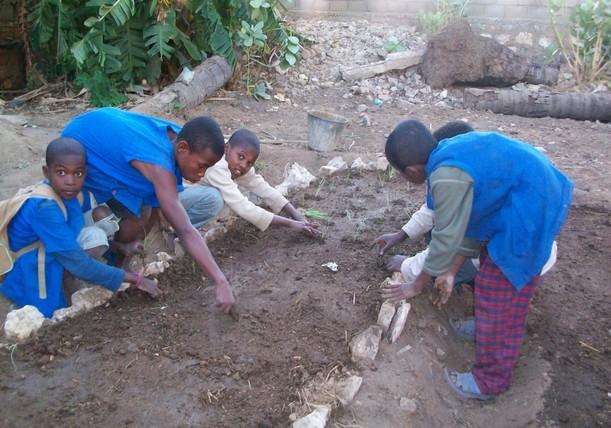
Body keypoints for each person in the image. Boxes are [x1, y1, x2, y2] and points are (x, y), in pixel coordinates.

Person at [378, 119, 573, 400]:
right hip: (524, 198)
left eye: (401, 174)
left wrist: (417, 284)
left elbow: (447, 237)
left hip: (530, 210)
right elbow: (467, 225)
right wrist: (450, 271)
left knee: (501, 286)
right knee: (489, 277)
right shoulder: (447, 154)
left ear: (412, 170)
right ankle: (486, 326)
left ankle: (490, 382)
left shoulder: (446, 175)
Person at [61, 108, 235, 313]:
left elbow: (158, 203)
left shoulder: (181, 137)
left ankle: (120, 262)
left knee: (146, 210)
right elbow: (185, 229)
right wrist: (220, 280)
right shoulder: (158, 163)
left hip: (103, 129)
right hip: (79, 146)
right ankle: (75, 286)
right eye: (201, 166)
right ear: (182, 148)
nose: (201, 174)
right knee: (96, 224)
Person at [0, 138, 161, 318]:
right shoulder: (44, 208)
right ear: (46, 172)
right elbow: (79, 263)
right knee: (50, 317)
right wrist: (137, 279)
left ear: (85, 173)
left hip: (56, 247)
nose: (70, 181)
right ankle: (61, 280)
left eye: (78, 173)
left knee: (99, 222)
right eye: (61, 172)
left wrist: (121, 247)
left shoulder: (76, 195)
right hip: (29, 264)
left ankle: (67, 278)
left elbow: (76, 231)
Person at [199, 129, 320, 236]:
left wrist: (296, 214)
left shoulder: (232, 160)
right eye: (241, 157)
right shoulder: (217, 166)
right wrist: (291, 223)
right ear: (226, 148)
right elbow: (243, 207)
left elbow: (263, 188)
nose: (243, 165)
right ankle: (184, 231)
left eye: (249, 163)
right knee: (214, 198)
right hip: (182, 197)